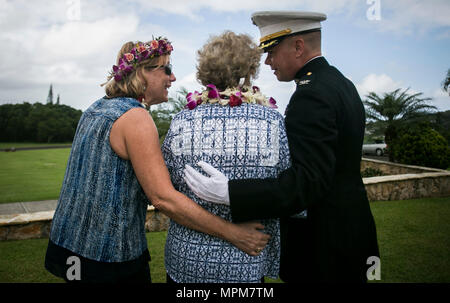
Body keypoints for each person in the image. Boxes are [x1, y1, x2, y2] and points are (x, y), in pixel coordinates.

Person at [44, 36, 270, 283]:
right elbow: (163, 198)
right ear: (141, 73)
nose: (172, 78)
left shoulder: (95, 109)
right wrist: (234, 233)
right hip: (109, 258)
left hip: (68, 247)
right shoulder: (136, 118)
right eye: (167, 69)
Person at [184, 12, 380, 282]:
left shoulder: (311, 95)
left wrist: (231, 192)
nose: (268, 61)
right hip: (351, 232)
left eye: (272, 51)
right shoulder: (339, 83)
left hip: (325, 245)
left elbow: (307, 182)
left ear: (298, 47)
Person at [162, 31, 291, 283]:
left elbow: (167, 190)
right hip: (246, 260)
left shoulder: (181, 121)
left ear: (205, 70)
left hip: (187, 260)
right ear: (249, 69)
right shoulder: (272, 121)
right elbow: (288, 190)